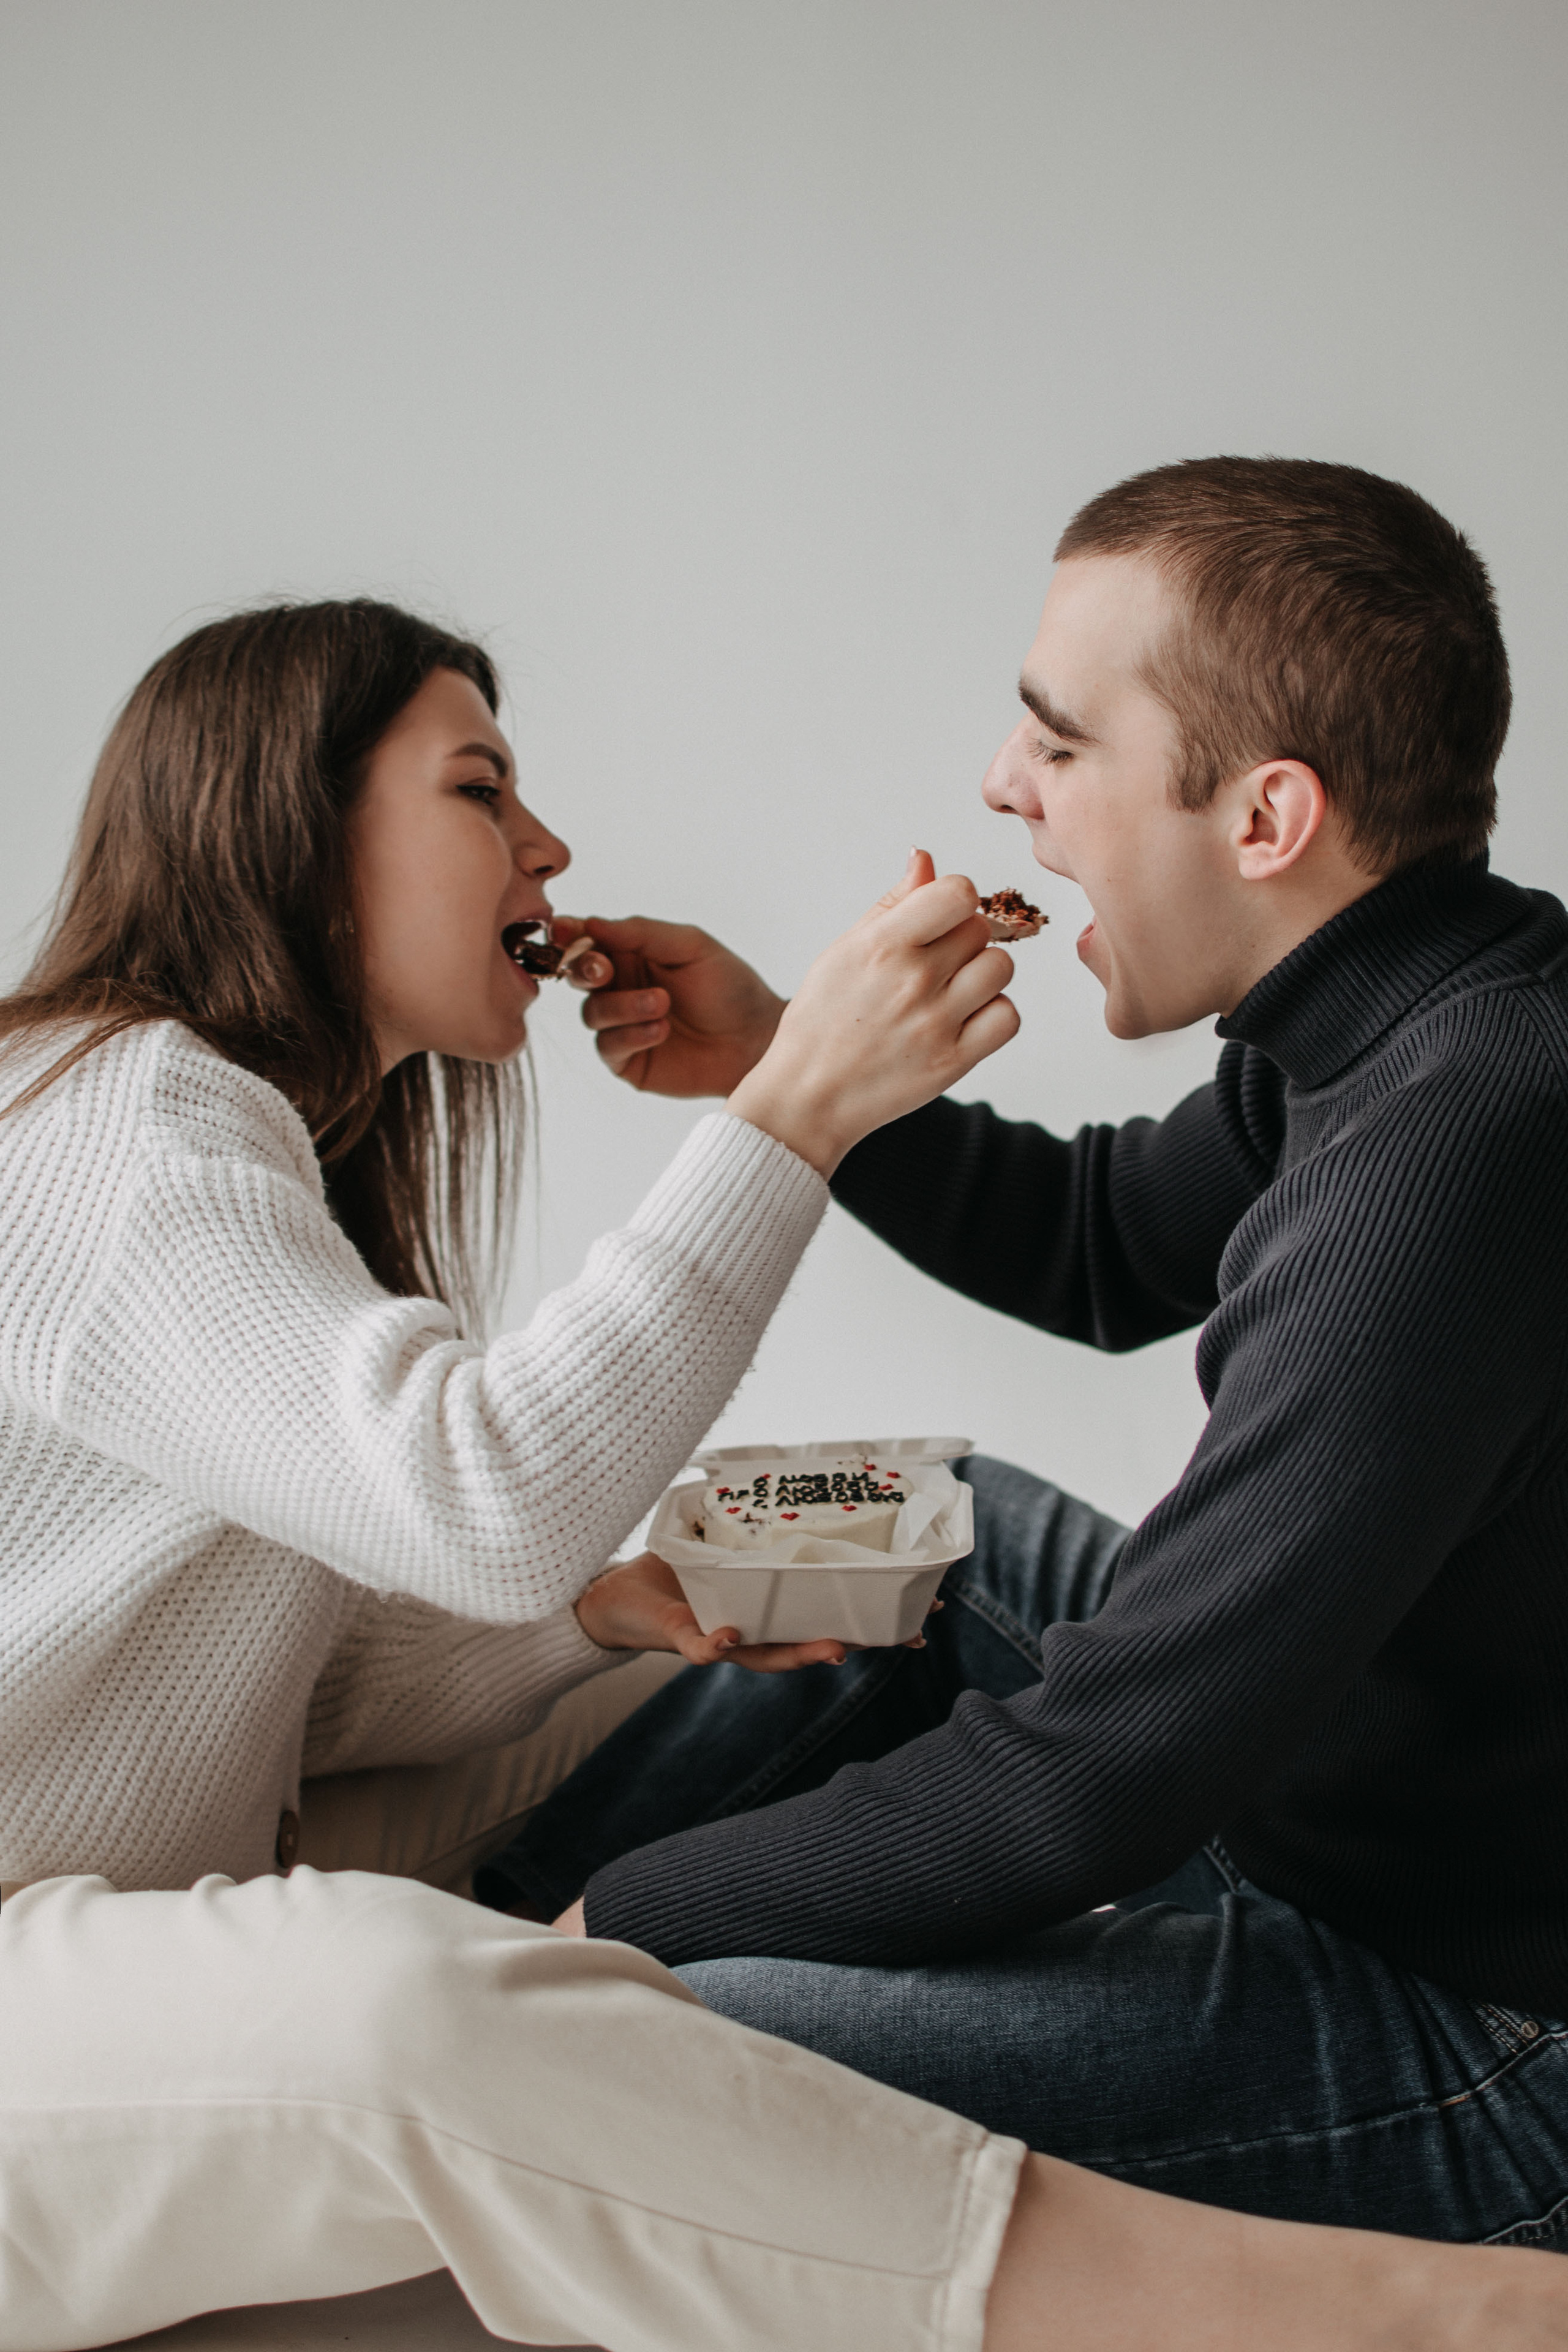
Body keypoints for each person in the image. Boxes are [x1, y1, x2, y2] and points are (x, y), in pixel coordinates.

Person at [4, 601, 1563, 2352]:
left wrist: (603, 1631)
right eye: (480, 789)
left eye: (1059, 746)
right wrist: (792, 1095)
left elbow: (312, 1643)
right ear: (294, 830)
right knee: (611, 2052)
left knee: (907, 1517)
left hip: (1392, 1913)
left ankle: (686, 1965)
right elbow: (479, 1508)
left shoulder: (1450, 1093)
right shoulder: (123, 1131)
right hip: (53, 1961)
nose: (549, 846)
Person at [491, 457, 1568, 2259]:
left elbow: (1092, 1781)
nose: (1006, 790)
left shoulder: (1458, 1150)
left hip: (1483, 2031)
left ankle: (481, 1956)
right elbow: (1100, 1246)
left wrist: (610, 1930)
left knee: (637, 2053)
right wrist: (785, 1055)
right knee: (934, 1514)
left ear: (1267, 818)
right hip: (1300, 1795)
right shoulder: (1410, 1005)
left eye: (1058, 745)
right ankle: (470, 1917)